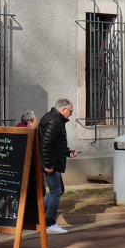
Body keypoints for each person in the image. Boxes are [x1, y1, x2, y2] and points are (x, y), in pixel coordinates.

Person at [35, 98, 78, 234]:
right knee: (56, 191)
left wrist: (67, 152)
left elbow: (55, 143)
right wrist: (47, 165)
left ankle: (38, 214)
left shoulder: (53, 118)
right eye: (70, 111)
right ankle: (49, 223)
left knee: (59, 190)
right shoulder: (54, 121)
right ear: (63, 109)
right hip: (51, 164)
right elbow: (46, 144)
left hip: (52, 161)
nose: (70, 114)